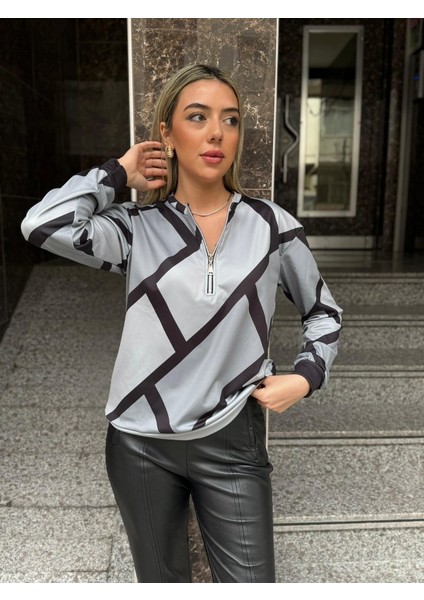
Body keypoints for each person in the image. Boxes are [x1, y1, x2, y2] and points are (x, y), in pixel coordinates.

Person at [21, 63, 342, 583]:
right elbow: (40, 223)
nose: (217, 133)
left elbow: (323, 312)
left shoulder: (272, 226)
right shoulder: (135, 228)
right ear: (166, 135)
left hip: (232, 437)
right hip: (139, 443)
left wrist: (307, 376)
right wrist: (118, 172)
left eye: (230, 120)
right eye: (198, 117)